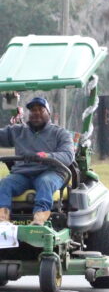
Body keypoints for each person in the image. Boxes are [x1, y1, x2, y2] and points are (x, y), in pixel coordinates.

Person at [0, 96, 75, 225]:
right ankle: (3, 217)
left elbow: (68, 156)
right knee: (6, 183)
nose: (36, 113)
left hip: (51, 172)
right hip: (23, 174)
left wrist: (47, 156)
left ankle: (39, 218)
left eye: (40, 109)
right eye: (33, 110)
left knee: (44, 182)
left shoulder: (60, 133)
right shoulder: (18, 131)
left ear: (48, 113)